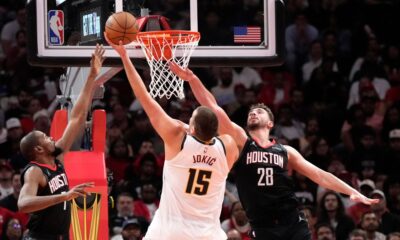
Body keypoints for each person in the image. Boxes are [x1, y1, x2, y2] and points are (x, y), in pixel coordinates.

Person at [169, 62, 379, 240]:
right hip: (263, 226)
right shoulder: (243, 142)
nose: (253, 113)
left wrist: (352, 191)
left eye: (258, 112)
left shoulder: (286, 151)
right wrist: (192, 78)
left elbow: (319, 175)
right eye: (251, 112)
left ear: (270, 123)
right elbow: (213, 107)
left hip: (292, 221)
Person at [106, 35, 238, 240]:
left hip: (170, 231)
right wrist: (194, 82)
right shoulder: (229, 147)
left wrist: (124, 56)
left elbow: (145, 98)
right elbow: (217, 112)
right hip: (208, 234)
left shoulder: (178, 137)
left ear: (191, 127)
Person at [17, 44, 106, 240]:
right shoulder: (35, 171)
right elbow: (23, 204)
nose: (52, 138)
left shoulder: (57, 156)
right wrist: (64, 196)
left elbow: (76, 118)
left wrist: (92, 75)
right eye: (46, 138)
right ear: (39, 148)